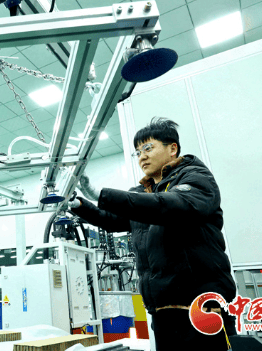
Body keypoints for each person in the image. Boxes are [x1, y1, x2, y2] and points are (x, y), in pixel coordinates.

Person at [70, 118, 236, 350]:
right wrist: (78, 203)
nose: (142, 157)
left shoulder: (196, 178)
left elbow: (169, 205)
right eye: (138, 152)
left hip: (201, 308)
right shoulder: (143, 193)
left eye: (148, 148)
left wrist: (101, 194)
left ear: (172, 148)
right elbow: (111, 219)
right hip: (162, 312)